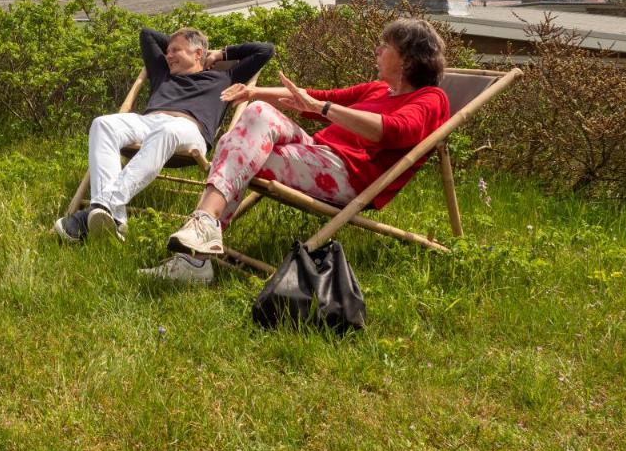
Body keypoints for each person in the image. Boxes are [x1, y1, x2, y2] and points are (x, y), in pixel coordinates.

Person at [145, 18, 450, 284]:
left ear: (408, 60)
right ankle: (204, 228)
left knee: (232, 146)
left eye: (386, 46)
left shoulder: (431, 99)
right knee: (258, 112)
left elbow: (391, 130)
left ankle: (196, 255)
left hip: (347, 175)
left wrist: (323, 109)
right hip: (317, 154)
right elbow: (316, 97)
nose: (378, 51)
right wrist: (253, 92)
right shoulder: (377, 89)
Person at [55, 27, 275, 243]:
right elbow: (146, 34)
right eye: (167, 51)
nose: (168, 55)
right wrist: (178, 48)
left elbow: (265, 50)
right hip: (148, 123)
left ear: (198, 53)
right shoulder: (162, 70)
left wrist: (219, 54)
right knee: (103, 124)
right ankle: (114, 219)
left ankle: (101, 206)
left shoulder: (225, 77)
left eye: (175, 50)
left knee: (167, 129)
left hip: (189, 130)